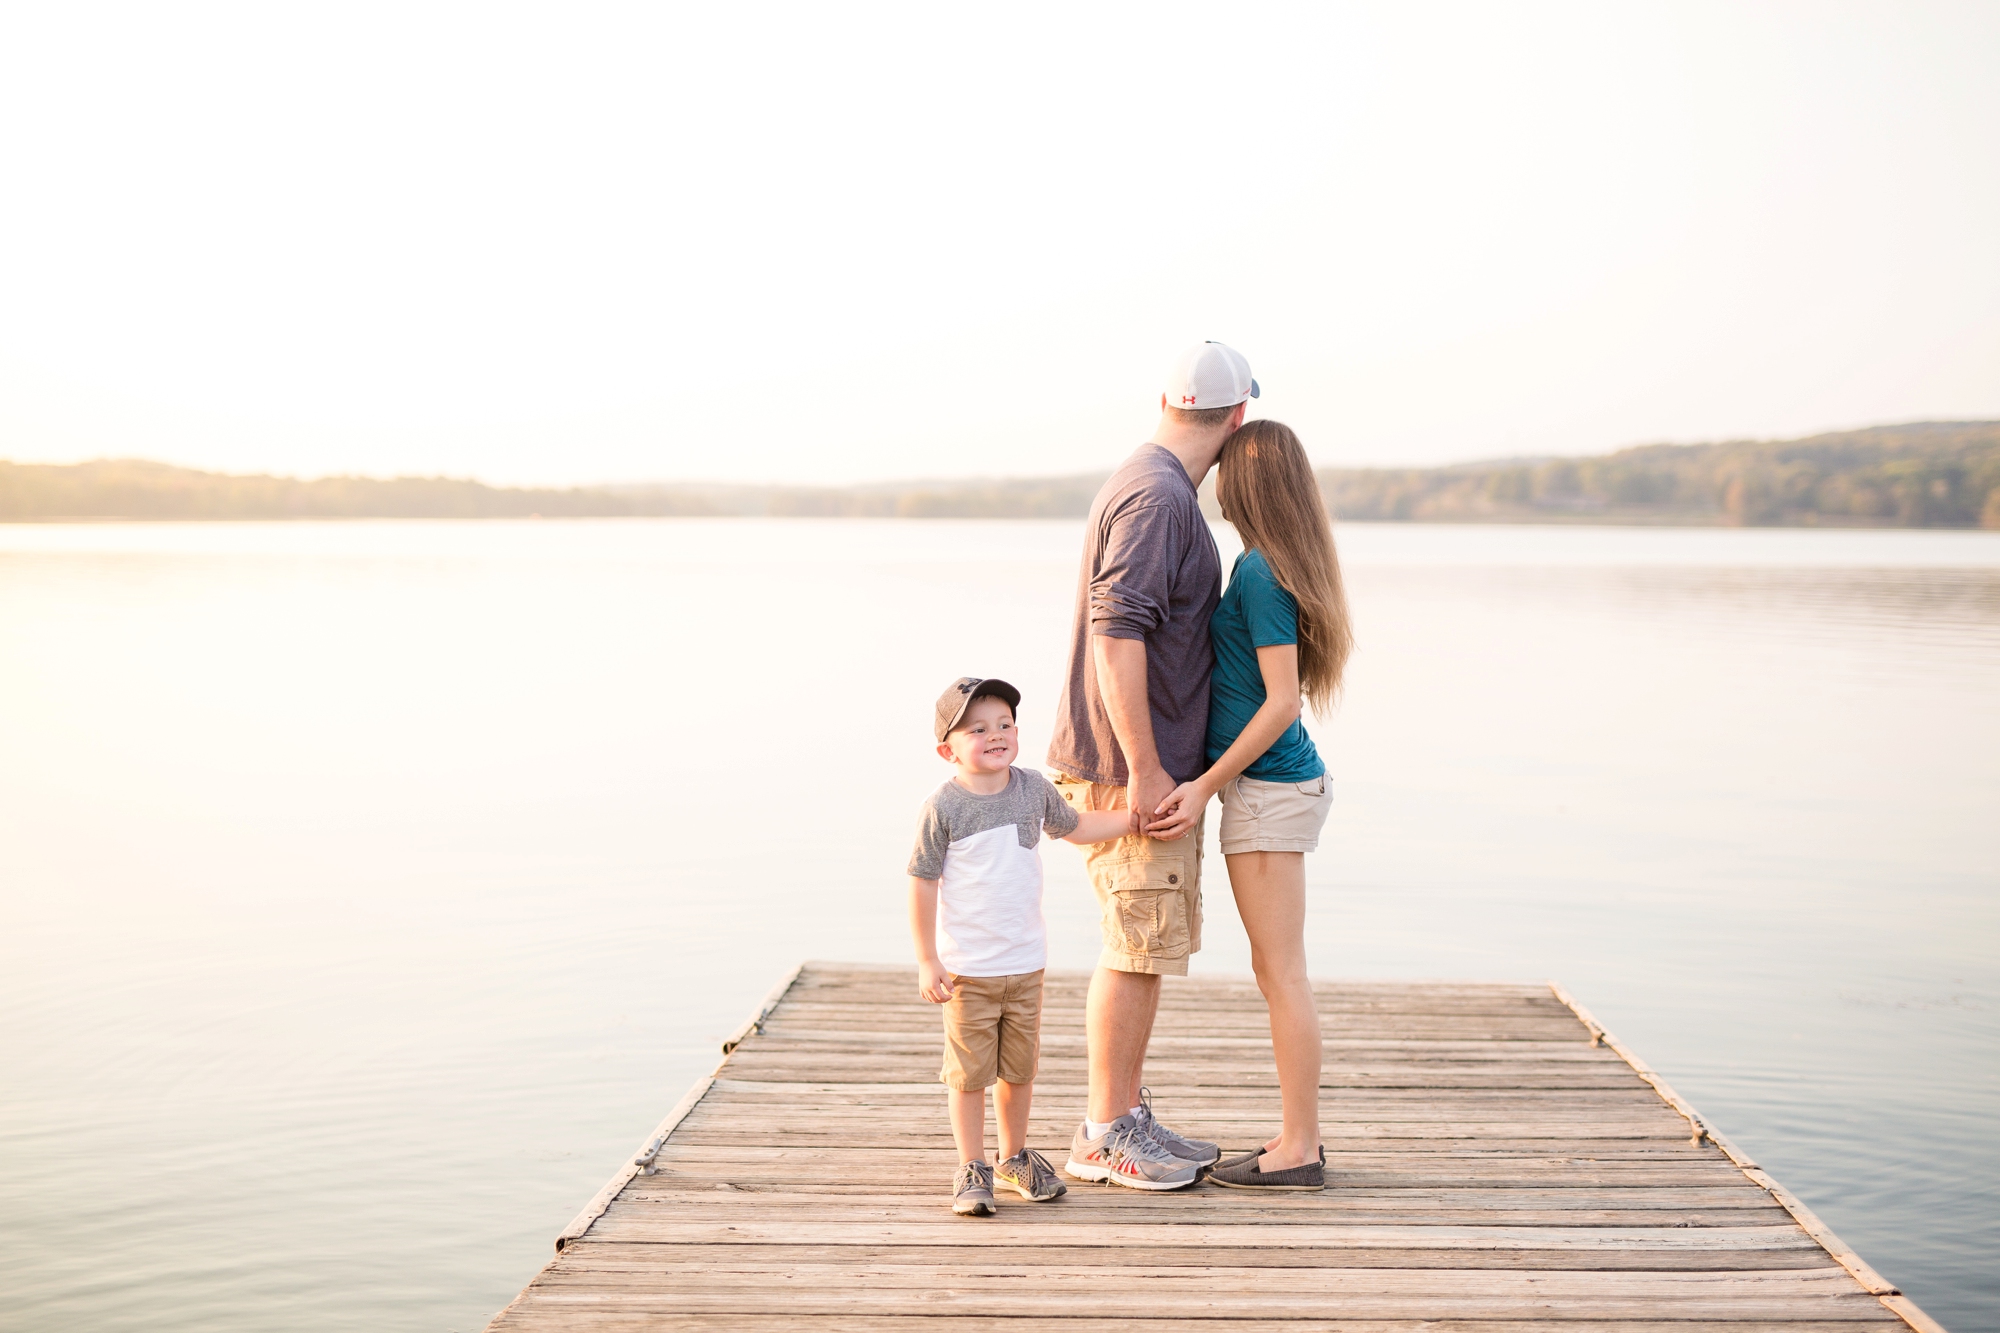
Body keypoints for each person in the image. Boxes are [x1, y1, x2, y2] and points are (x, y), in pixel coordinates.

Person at [1046, 341, 1259, 1190]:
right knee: (1133, 946)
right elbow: (1116, 629)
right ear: (1240, 415)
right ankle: (1102, 1133)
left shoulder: (1150, 479)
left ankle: (1122, 1109)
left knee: (1145, 943)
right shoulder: (1161, 495)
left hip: (1147, 761)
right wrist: (1144, 767)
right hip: (1134, 767)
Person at [1149, 418, 1354, 1190]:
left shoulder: (1264, 571)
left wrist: (1203, 785)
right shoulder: (1266, 564)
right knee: (1281, 972)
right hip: (1272, 787)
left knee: (1282, 974)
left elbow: (1279, 703)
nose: (1215, 480)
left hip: (1269, 790)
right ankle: (1295, 1134)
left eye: (1228, 469)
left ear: (1250, 482)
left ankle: (1300, 1145)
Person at [908, 676, 1134, 1216]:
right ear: (948, 749)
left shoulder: (1032, 788)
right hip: (969, 970)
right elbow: (921, 880)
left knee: (1019, 1068)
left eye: (1005, 724)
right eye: (978, 729)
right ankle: (972, 1165)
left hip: (1025, 964)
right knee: (968, 1074)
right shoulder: (944, 807)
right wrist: (926, 959)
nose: (996, 735)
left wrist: (1134, 820)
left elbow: (1075, 827)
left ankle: (1013, 1158)